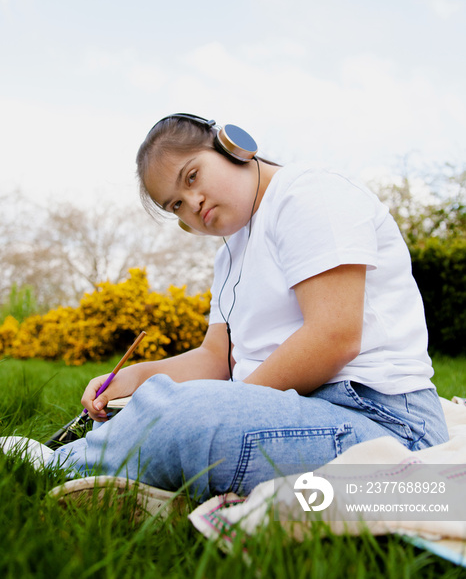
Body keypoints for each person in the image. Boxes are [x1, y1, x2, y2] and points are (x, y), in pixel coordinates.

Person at [2, 114, 449, 501]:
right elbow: (215, 358)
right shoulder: (229, 254)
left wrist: (224, 402)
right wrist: (134, 377)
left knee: (188, 415)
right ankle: (140, 479)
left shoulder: (310, 194)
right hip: (303, 411)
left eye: (192, 176)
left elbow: (334, 336)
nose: (192, 205)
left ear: (232, 146)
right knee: (164, 406)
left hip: (386, 427)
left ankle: (60, 466)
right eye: (176, 204)